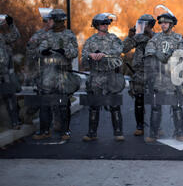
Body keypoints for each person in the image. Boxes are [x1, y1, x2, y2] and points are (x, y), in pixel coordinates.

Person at [32, 9, 80, 141]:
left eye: (55, 20)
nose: (52, 22)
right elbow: (39, 49)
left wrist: (64, 51)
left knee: (63, 103)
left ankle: (66, 131)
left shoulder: (69, 34)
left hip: (62, 72)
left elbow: (74, 51)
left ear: (60, 21)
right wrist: (43, 51)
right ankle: (44, 130)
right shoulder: (48, 35)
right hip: (48, 73)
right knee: (45, 103)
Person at [144, 6, 183, 142]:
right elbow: (149, 51)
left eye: (166, 23)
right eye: (161, 23)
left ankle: (179, 133)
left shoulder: (178, 38)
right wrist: (158, 54)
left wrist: (172, 53)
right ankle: (153, 133)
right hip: (158, 78)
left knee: (176, 106)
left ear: (171, 24)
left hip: (174, 78)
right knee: (156, 106)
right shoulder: (155, 38)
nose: (163, 25)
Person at [81, 13, 125, 142]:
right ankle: (92, 133)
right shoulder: (90, 40)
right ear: (96, 25)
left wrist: (104, 54)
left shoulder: (113, 38)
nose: (105, 26)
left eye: (107, 23)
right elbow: (83, 58)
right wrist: (90, 56)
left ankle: (118, 132)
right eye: (102, 23)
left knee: (114, 104)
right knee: (94, 105)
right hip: (96, 75)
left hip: (111, 74)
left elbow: (119, 50)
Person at [122, 14, 156, 136]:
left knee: (155, 100)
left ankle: (156, 125)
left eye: (145, 24)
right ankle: (140, 125)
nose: (142, 26)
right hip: (140, 73)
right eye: (141, 24)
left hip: (154, 73)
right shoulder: (138, 37)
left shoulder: (157, 37)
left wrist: (150, 35)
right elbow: (124, 49)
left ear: (150, 25)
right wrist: (129, 37)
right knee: (139, 98)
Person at [0, 14, 21, 129]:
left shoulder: (2, 38)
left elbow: (15, 35)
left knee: (10, 99)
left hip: (5, 74)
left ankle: (15, 122)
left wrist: (11, 24)